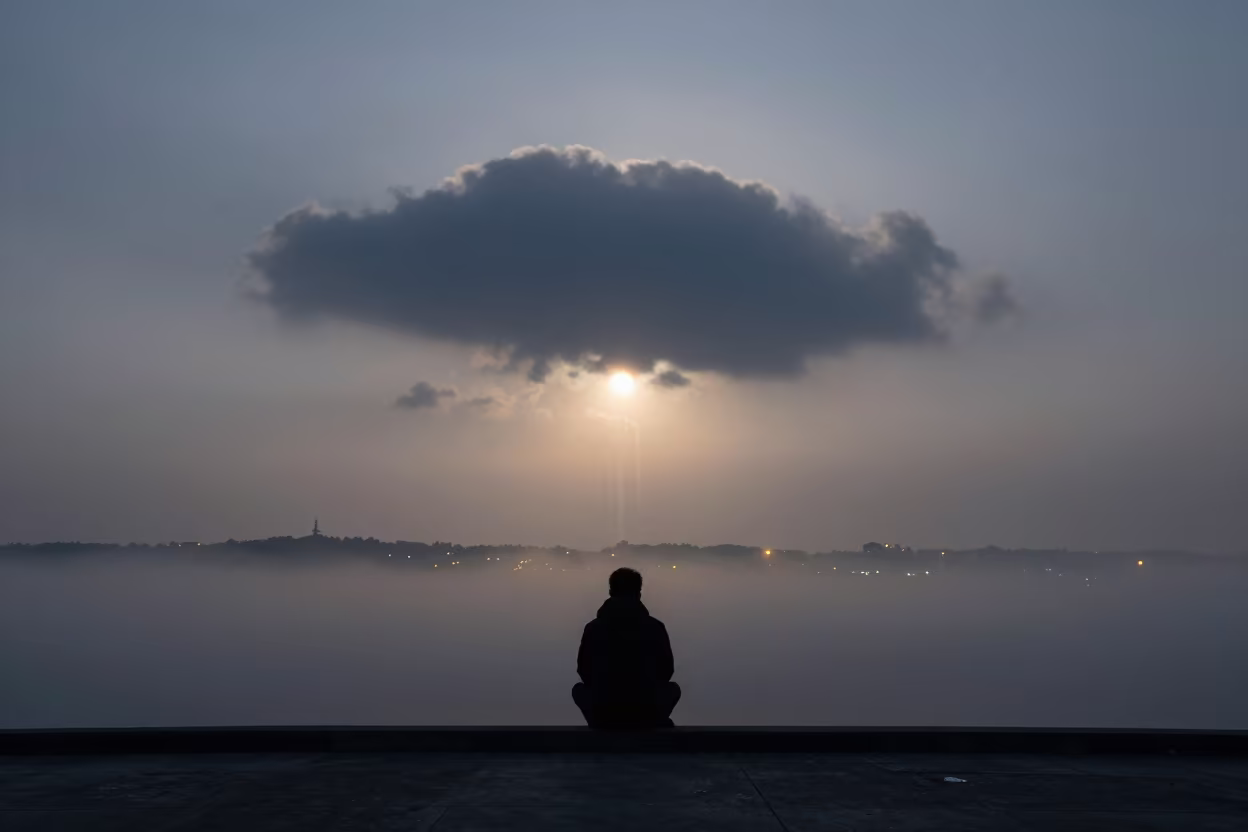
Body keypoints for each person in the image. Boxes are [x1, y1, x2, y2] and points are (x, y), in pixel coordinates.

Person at [572, 567, 681, 728]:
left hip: (605, 710)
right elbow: (666, 671)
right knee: (672, 689)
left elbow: (584, 671)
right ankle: (652, 721)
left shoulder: (594, 628)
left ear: (610, 591)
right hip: (646, 709)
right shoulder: (655, 627)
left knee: (579, 690)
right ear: (639, 593)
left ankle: (601, 724)